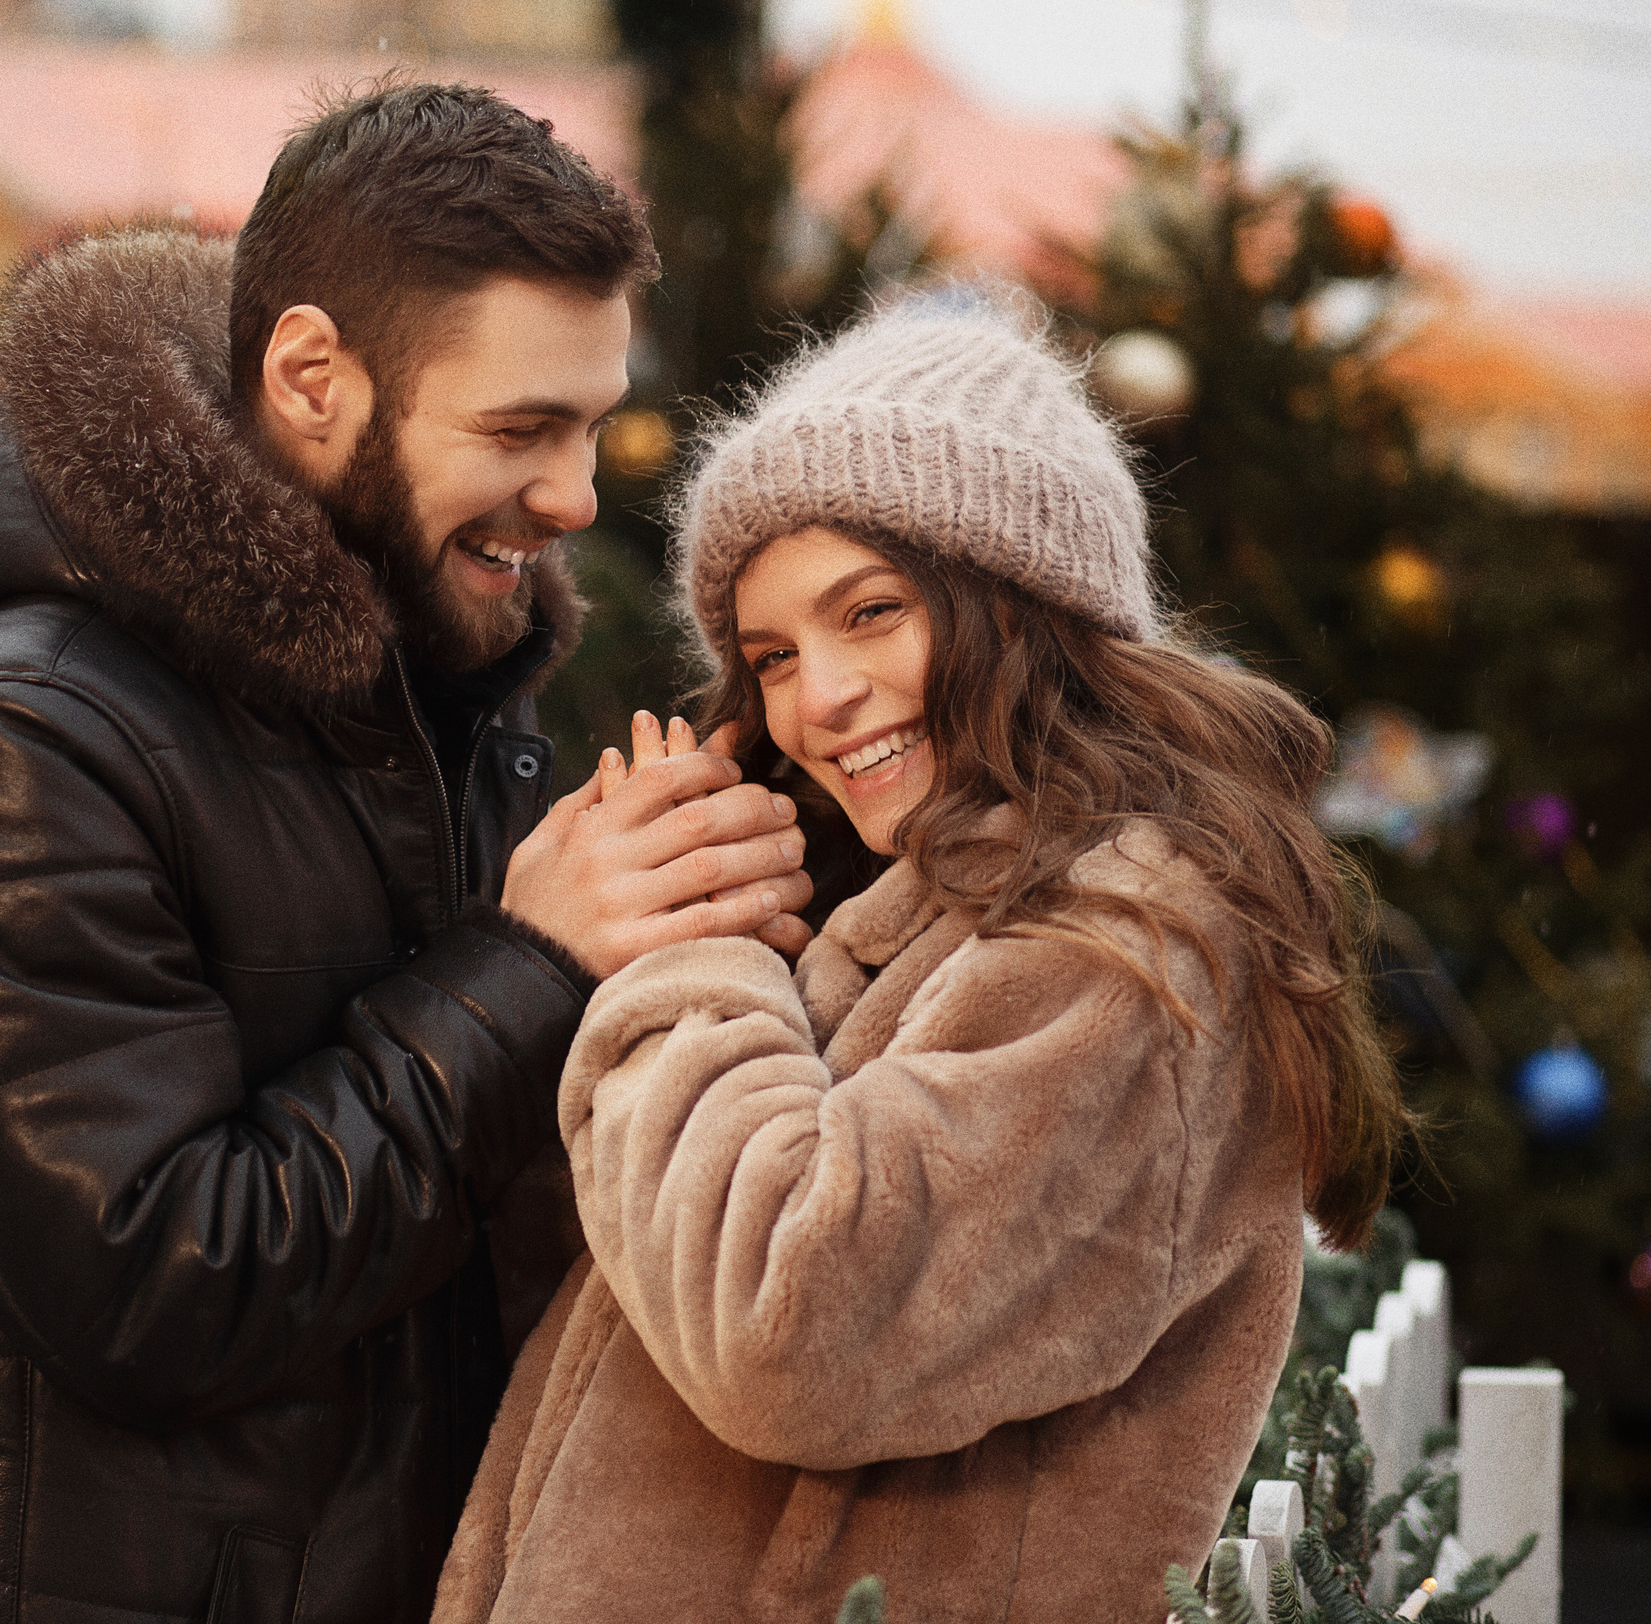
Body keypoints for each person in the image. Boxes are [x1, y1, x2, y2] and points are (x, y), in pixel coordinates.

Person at [0, 81, 812, 1624]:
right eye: (521, 428)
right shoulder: (27, 742)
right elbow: (154, 1287)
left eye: (594, 423)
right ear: (310, 377)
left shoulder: (437, 692)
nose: (575, 493)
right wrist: (530, 964)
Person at [434, 300, 1410, 1622]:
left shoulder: (1127, 950)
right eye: (772, 655)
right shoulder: (918, 916)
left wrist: (693, 952)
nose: (815, 699)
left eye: (872, 613)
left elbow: (789, 1330)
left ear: (1027, 605)